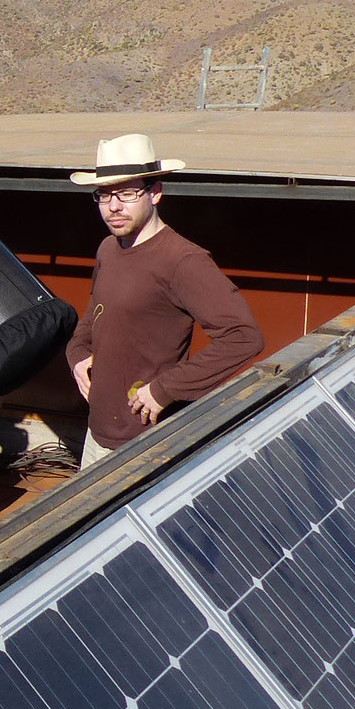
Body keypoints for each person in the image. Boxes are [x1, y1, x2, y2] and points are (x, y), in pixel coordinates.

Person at [65, 134, 264, 468]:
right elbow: (95, 314)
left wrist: (165, 389)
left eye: (127, 193)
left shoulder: (183, 261)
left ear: (155, 193)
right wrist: (78, 353)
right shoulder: (108, 249)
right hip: (97, 434)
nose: (114, 206)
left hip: (147, 444)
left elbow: (243, 337)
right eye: (104, 195)